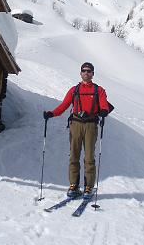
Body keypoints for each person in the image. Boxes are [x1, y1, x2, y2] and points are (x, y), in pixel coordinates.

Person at [43, 62, 110, 200]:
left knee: (89, 157)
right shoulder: (74, 90)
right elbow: (64, 105)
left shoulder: (99, 90)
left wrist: (104, 111)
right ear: (80, 73)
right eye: (84, 71)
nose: (86, 73)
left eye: (89, 71)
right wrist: (51, 113)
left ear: (93, 74)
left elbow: (104, 105)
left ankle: (88, 187)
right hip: (75, 124)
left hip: (91, 125)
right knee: (74, 155)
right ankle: (73, 185)